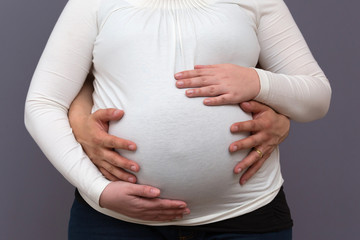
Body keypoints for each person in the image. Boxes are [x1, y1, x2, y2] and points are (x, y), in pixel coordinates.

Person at [24, 0, 331, 239]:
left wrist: (257, 82)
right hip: (116, 224)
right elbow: (43, 102)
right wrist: (98, 189)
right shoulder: (93, 3)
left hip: (245, 215)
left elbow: (317, 97)